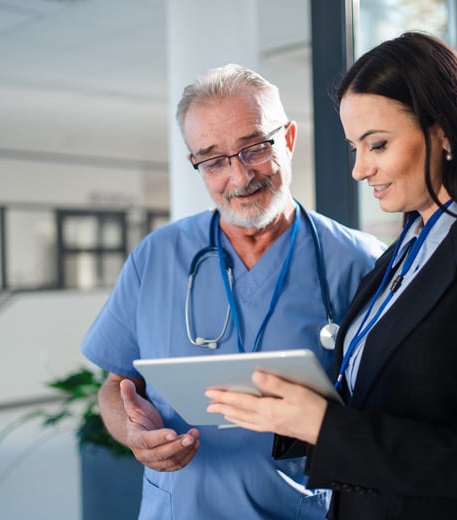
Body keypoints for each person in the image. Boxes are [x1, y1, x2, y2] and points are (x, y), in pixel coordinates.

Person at [206, 32, 457, 520]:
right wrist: (295, 411)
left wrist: (326, 426)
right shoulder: (403, 254)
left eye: (378, 144)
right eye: (354, 148)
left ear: (445, 131)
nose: (358, 170)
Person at [80, 64, 385, 520]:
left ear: (288, 139)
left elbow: (389, 415)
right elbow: (116, 384)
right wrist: (133, 433)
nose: (240, 178)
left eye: (254, 148)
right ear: (196, 165)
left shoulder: (359, 262)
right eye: (214, 161)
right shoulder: (156, 257)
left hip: (302, 510)